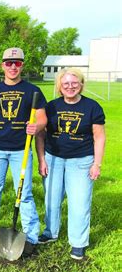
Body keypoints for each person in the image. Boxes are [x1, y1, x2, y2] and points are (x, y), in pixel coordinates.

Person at [0, 47, 47, 257]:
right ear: (2, 65)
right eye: (9, 63)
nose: (13, 67)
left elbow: (42, 118)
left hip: (21, 152)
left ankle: (31, 236)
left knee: (24, 194)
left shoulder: (33, 91)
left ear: (22, 65)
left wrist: (37, 126)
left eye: (17, 63)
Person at [36, 68, 105, 260]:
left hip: (81, 161)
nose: (70, 87)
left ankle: (78, 243)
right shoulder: (50, 107)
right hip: (53, 159)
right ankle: (51, 232)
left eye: (75, 83)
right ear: (59, 86)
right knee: (51, 198)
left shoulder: (92, 107)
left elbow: (99, 137)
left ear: (81, 84)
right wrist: (42, 159)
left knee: (79, 202)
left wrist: (96, 164)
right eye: (65, 83)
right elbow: (40, 134)